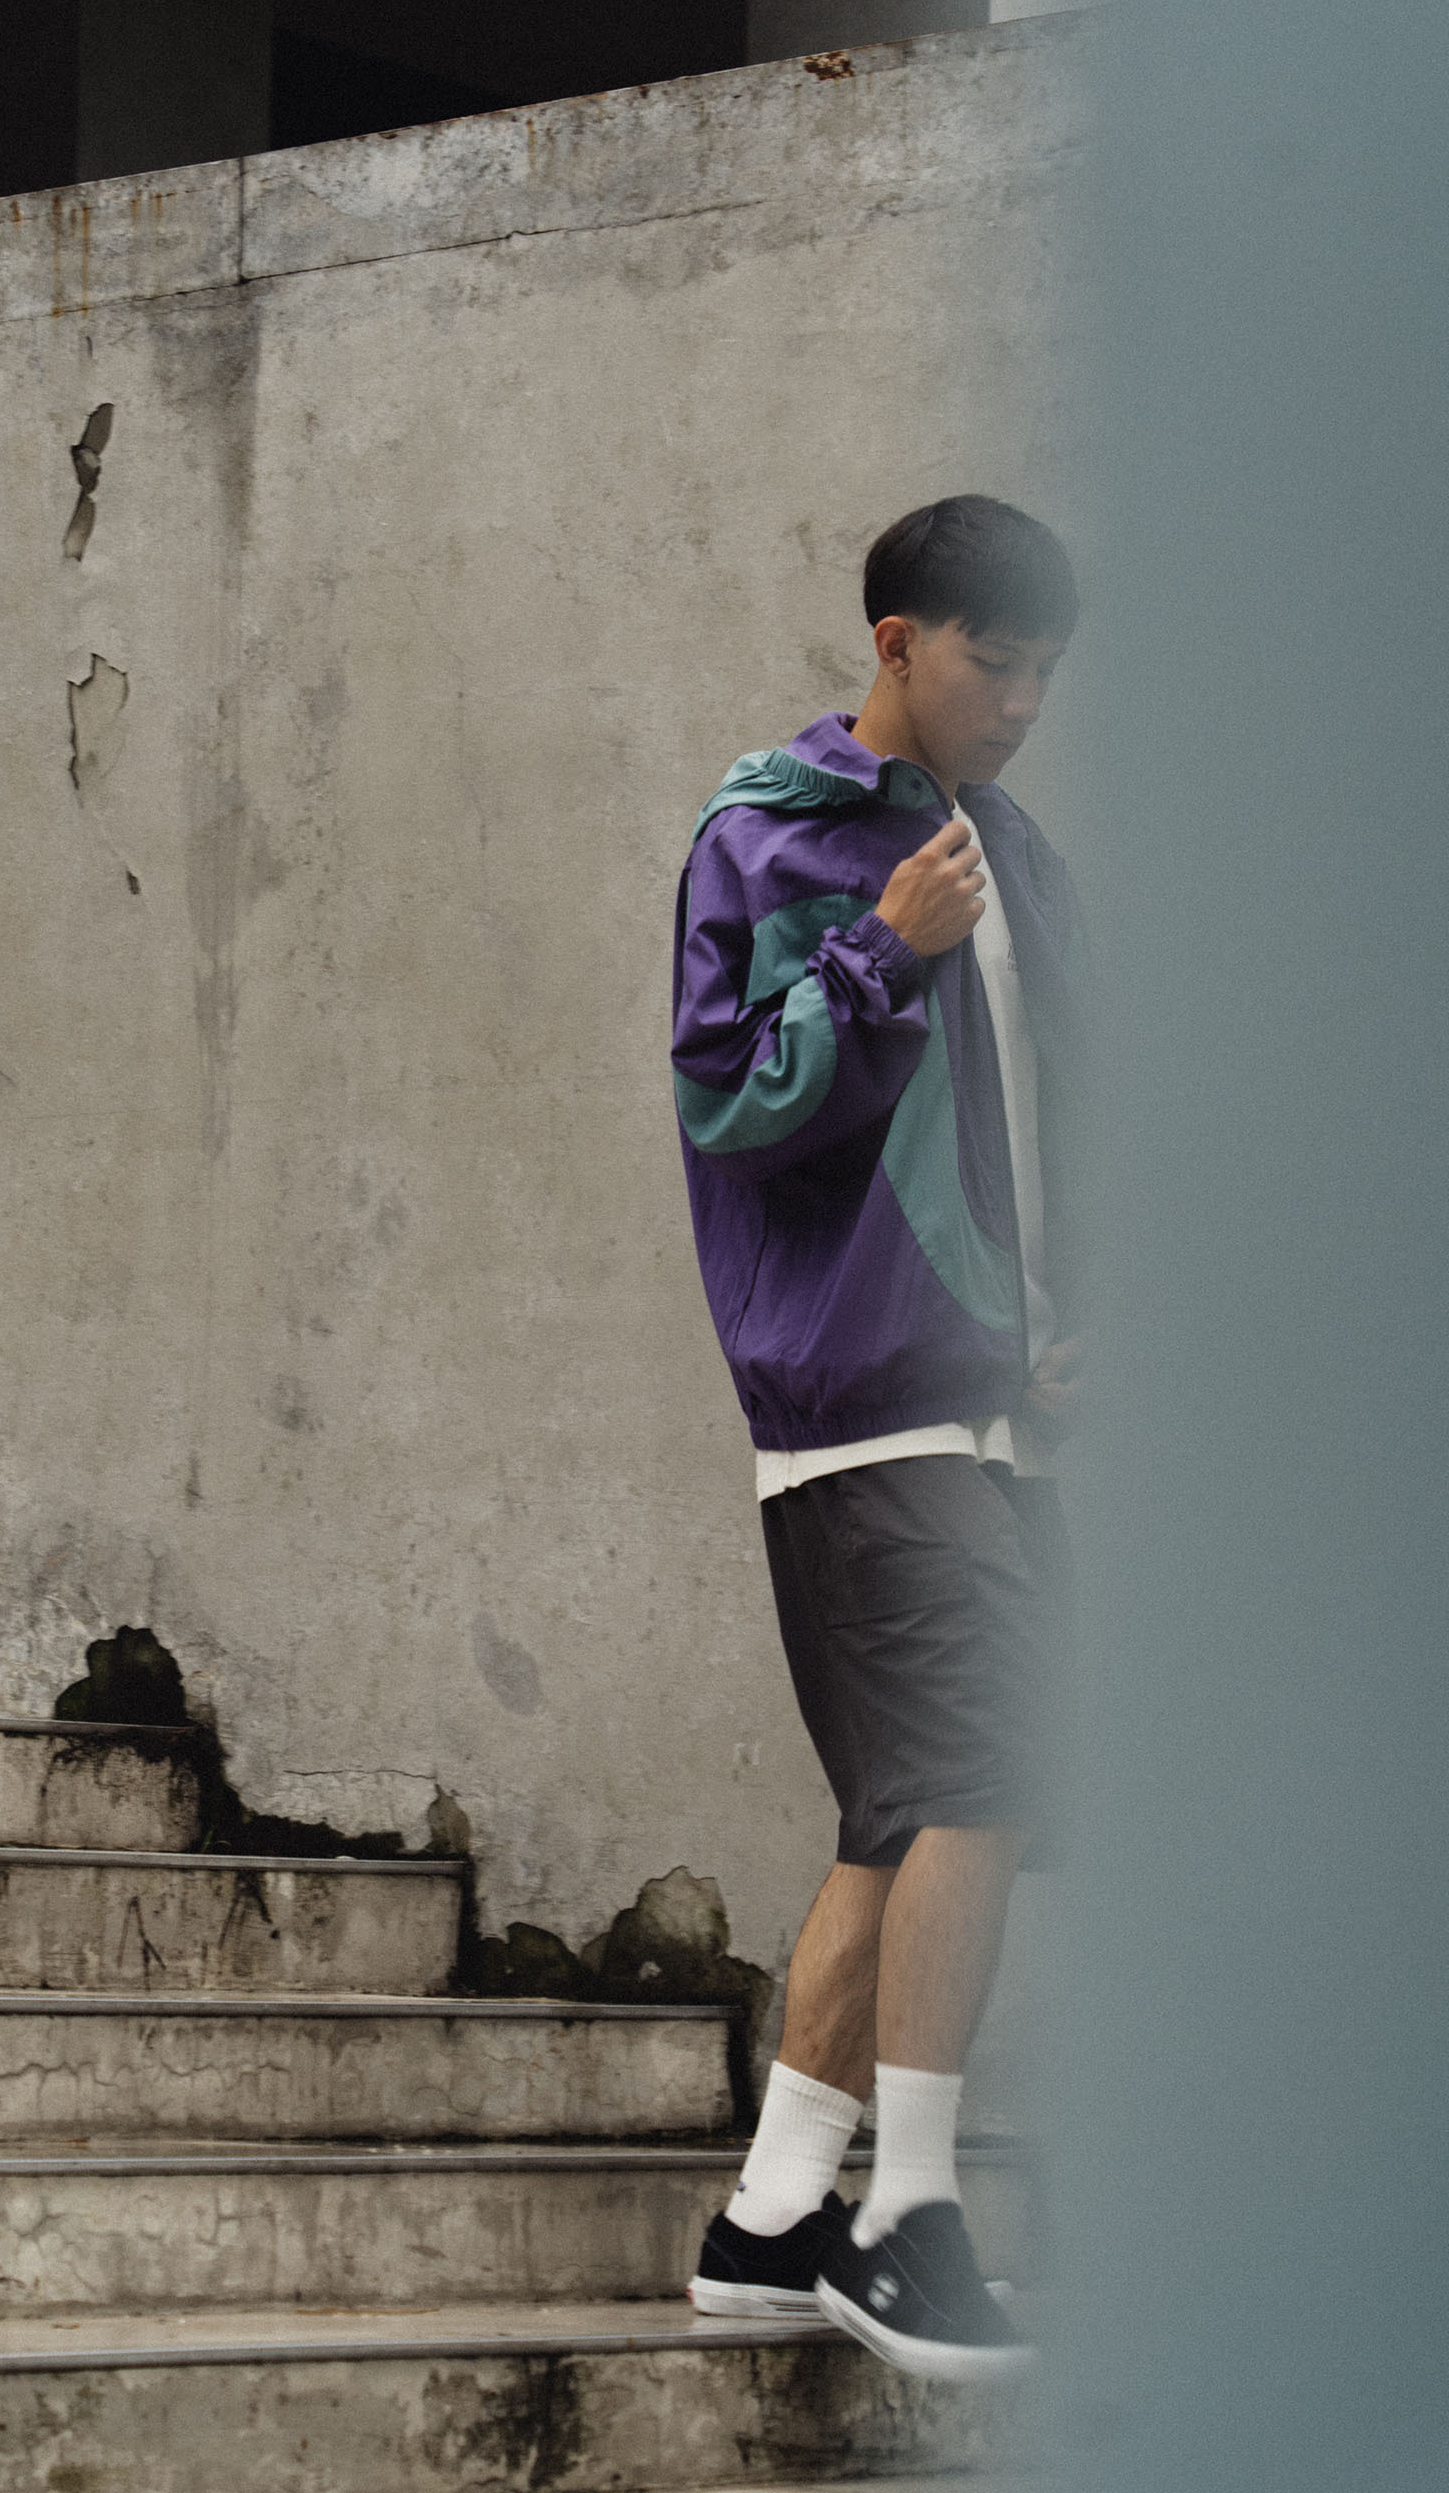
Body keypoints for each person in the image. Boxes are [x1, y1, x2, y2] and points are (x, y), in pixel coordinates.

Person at [670, 495, 1087, 2381]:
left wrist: (1066, 1318)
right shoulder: (769, 837)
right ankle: (909, 2218)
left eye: (1050, 671)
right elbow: (735, 1114)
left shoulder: (1020, 857)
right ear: (901, 643)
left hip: (985, 1407)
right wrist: (879, 950)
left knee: (903, 1812)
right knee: (990, 1765)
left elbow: (1059, 1126)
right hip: (858, 1411)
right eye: (998, 662)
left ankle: (770, 2221)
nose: (1026, 702)